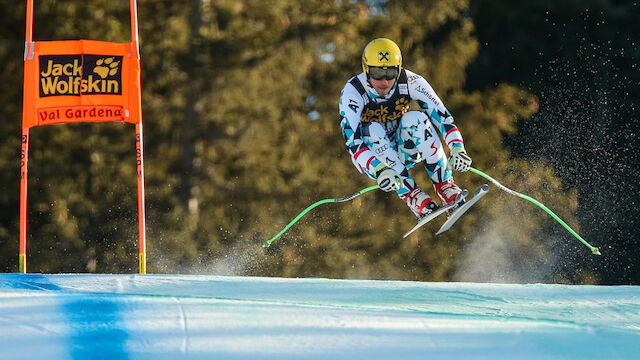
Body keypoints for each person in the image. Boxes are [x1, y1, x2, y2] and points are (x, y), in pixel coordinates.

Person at [338, 38, 472, 220]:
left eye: (391, 73)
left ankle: (445, 186)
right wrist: (379, 170)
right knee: (372, 130)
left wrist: (457, 148)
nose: (384, 81)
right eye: (377, 73)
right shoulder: (353, 91)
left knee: (416, 118)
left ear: (399, 69)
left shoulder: (411, 81)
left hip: (405, 148)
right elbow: (353, 142)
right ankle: (414, 197)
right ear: (366, 69)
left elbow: (443, 118)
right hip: (376, 161)